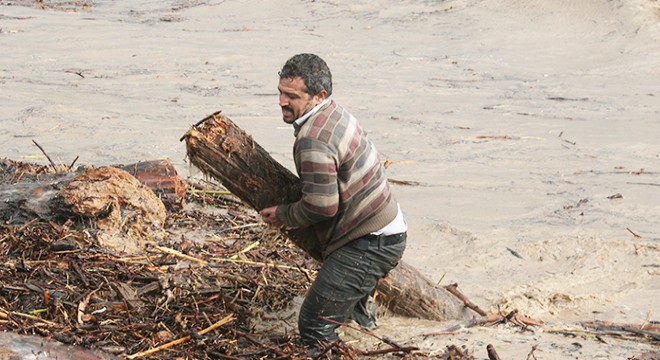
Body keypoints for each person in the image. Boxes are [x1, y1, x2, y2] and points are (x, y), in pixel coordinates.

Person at [259, 53, 407, 351]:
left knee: (314, 325)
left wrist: (283, 214)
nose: (281, 102)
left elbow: (322, 207)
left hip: (369, 242)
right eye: (279, 93)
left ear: (319, 96)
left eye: (291, 96)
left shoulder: (313, 139)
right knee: (354, 318)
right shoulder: (335, 113)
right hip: (384, 227)